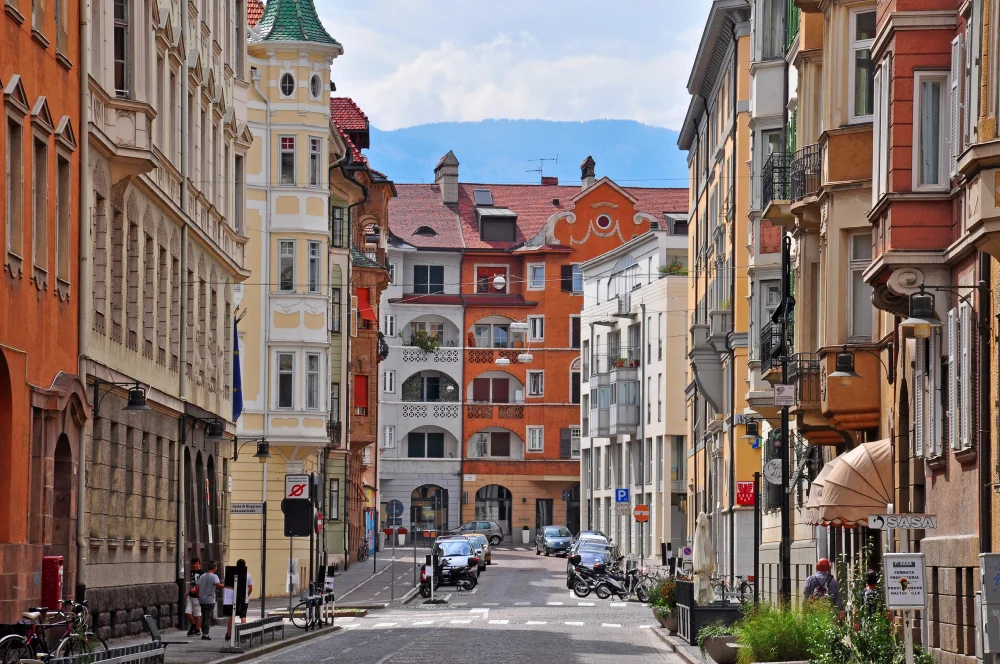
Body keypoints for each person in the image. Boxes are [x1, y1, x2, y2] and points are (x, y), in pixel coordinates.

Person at [225, 560, 254, 641]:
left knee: (231, 616)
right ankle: (243, 636)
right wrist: (247, 595)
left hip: (233, 599)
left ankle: (228, 634)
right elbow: (250, 588)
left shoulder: (233, 574)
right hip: (243, 599)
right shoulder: (248, 575)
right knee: (243, 616)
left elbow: (228, 587)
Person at [197, 561, 225, 640]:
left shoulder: (202, 576)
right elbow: (218, 584)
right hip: (210, 600)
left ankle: (203, 632)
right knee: (207, 617)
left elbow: (197, 587)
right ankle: (205, 634)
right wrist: (226, 586)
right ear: (215, 568)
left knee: (203, 616)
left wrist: (198, 596)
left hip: (202, 599)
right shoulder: (214, 576)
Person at [185, 558, 203, 636]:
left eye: (197, 563)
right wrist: (188, 591)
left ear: (199, 564)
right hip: (190, 595)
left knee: (197, 614)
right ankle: (193, 625)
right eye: (194, 564)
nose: (195, 565)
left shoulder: (202, 573)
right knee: (187, 612)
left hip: (197, 596)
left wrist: (197, 590)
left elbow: (202, 584)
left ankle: (198, 629)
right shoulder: (192, 572)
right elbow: (192, 584)